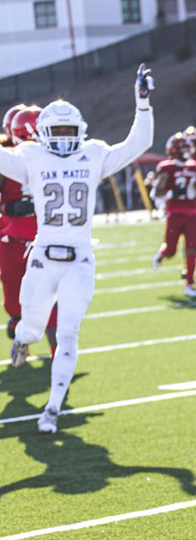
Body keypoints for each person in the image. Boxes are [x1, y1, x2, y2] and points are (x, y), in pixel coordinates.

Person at [1, 65, 154, 434]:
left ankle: (52, 409)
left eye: (71, 131)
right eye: (58, 132)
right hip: (41, 258)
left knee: (68, 332)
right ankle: (22, 341)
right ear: (42, 134)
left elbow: (139, 144)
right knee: (32, 328)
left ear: (82, 130)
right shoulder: (30, 157)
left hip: (80, 261)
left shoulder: (94, 153)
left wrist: (143, 103)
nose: (66, 139)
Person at [0, 104, 55, 346]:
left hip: (49, 235)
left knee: (54, 296)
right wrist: (8, 208)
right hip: (13, 235)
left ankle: (58, 351)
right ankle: (18, 323)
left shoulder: (60, 156)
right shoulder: (7, 156)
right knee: (14, 298)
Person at [151, 132, 196, 298]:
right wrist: (172, 193)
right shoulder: (166, 167)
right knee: (171, 251)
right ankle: (161, 255)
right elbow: (156, 193)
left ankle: (189, 284)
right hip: (175, 214)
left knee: (192, 248)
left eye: (186, 146)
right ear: (174, 149)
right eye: (182, 147)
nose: (186, 150)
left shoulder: (195, 167)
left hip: (193, 213)